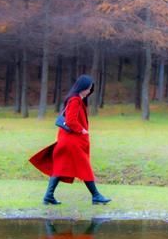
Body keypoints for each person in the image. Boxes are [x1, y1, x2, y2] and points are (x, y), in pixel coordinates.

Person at [29, 74, 111, 205]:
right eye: (88, 88)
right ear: (82, 87)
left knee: (59, 168)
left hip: (66, 140)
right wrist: (82, 130)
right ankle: (96, 195)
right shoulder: (75, 100)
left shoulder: (76, 99)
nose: (89, 91)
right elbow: (71, 121)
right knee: (84, 167)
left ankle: (48, 196)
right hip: (71, 142)